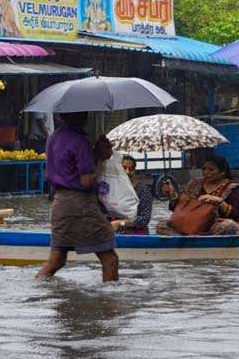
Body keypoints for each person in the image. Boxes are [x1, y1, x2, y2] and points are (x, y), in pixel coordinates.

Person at [35, 111, 120, 282]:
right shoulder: (81, 140)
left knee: (57, 260)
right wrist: (101, 158)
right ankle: (110, 305)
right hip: (80, 204)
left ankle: (37, 286)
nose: (85, 116)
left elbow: (68, 168)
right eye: (82, 113)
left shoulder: (53, 138)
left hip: (59, 203)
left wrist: (94, 153)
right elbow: (86, 181)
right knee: (110, 259)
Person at [156, 155, 239, 236]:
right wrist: (172, 194)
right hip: (195, 224)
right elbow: (181, 208)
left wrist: (220, 202)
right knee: (162, 225)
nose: (206, 172)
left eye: (211, 169)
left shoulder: (233, 188)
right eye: (204, 169)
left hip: (216, 226)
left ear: (223, 171)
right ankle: (186, 239)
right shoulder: (195, 184)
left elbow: (238, 215)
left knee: (227, 226)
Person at [112, 155, 153, 234]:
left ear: (134, 171)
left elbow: (145, 219)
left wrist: (121, 223)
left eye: (131, 169)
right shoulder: (112, 188)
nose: (127, 172)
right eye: (124, 168)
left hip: (135, 235)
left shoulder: (142, 190)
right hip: (112, 232)